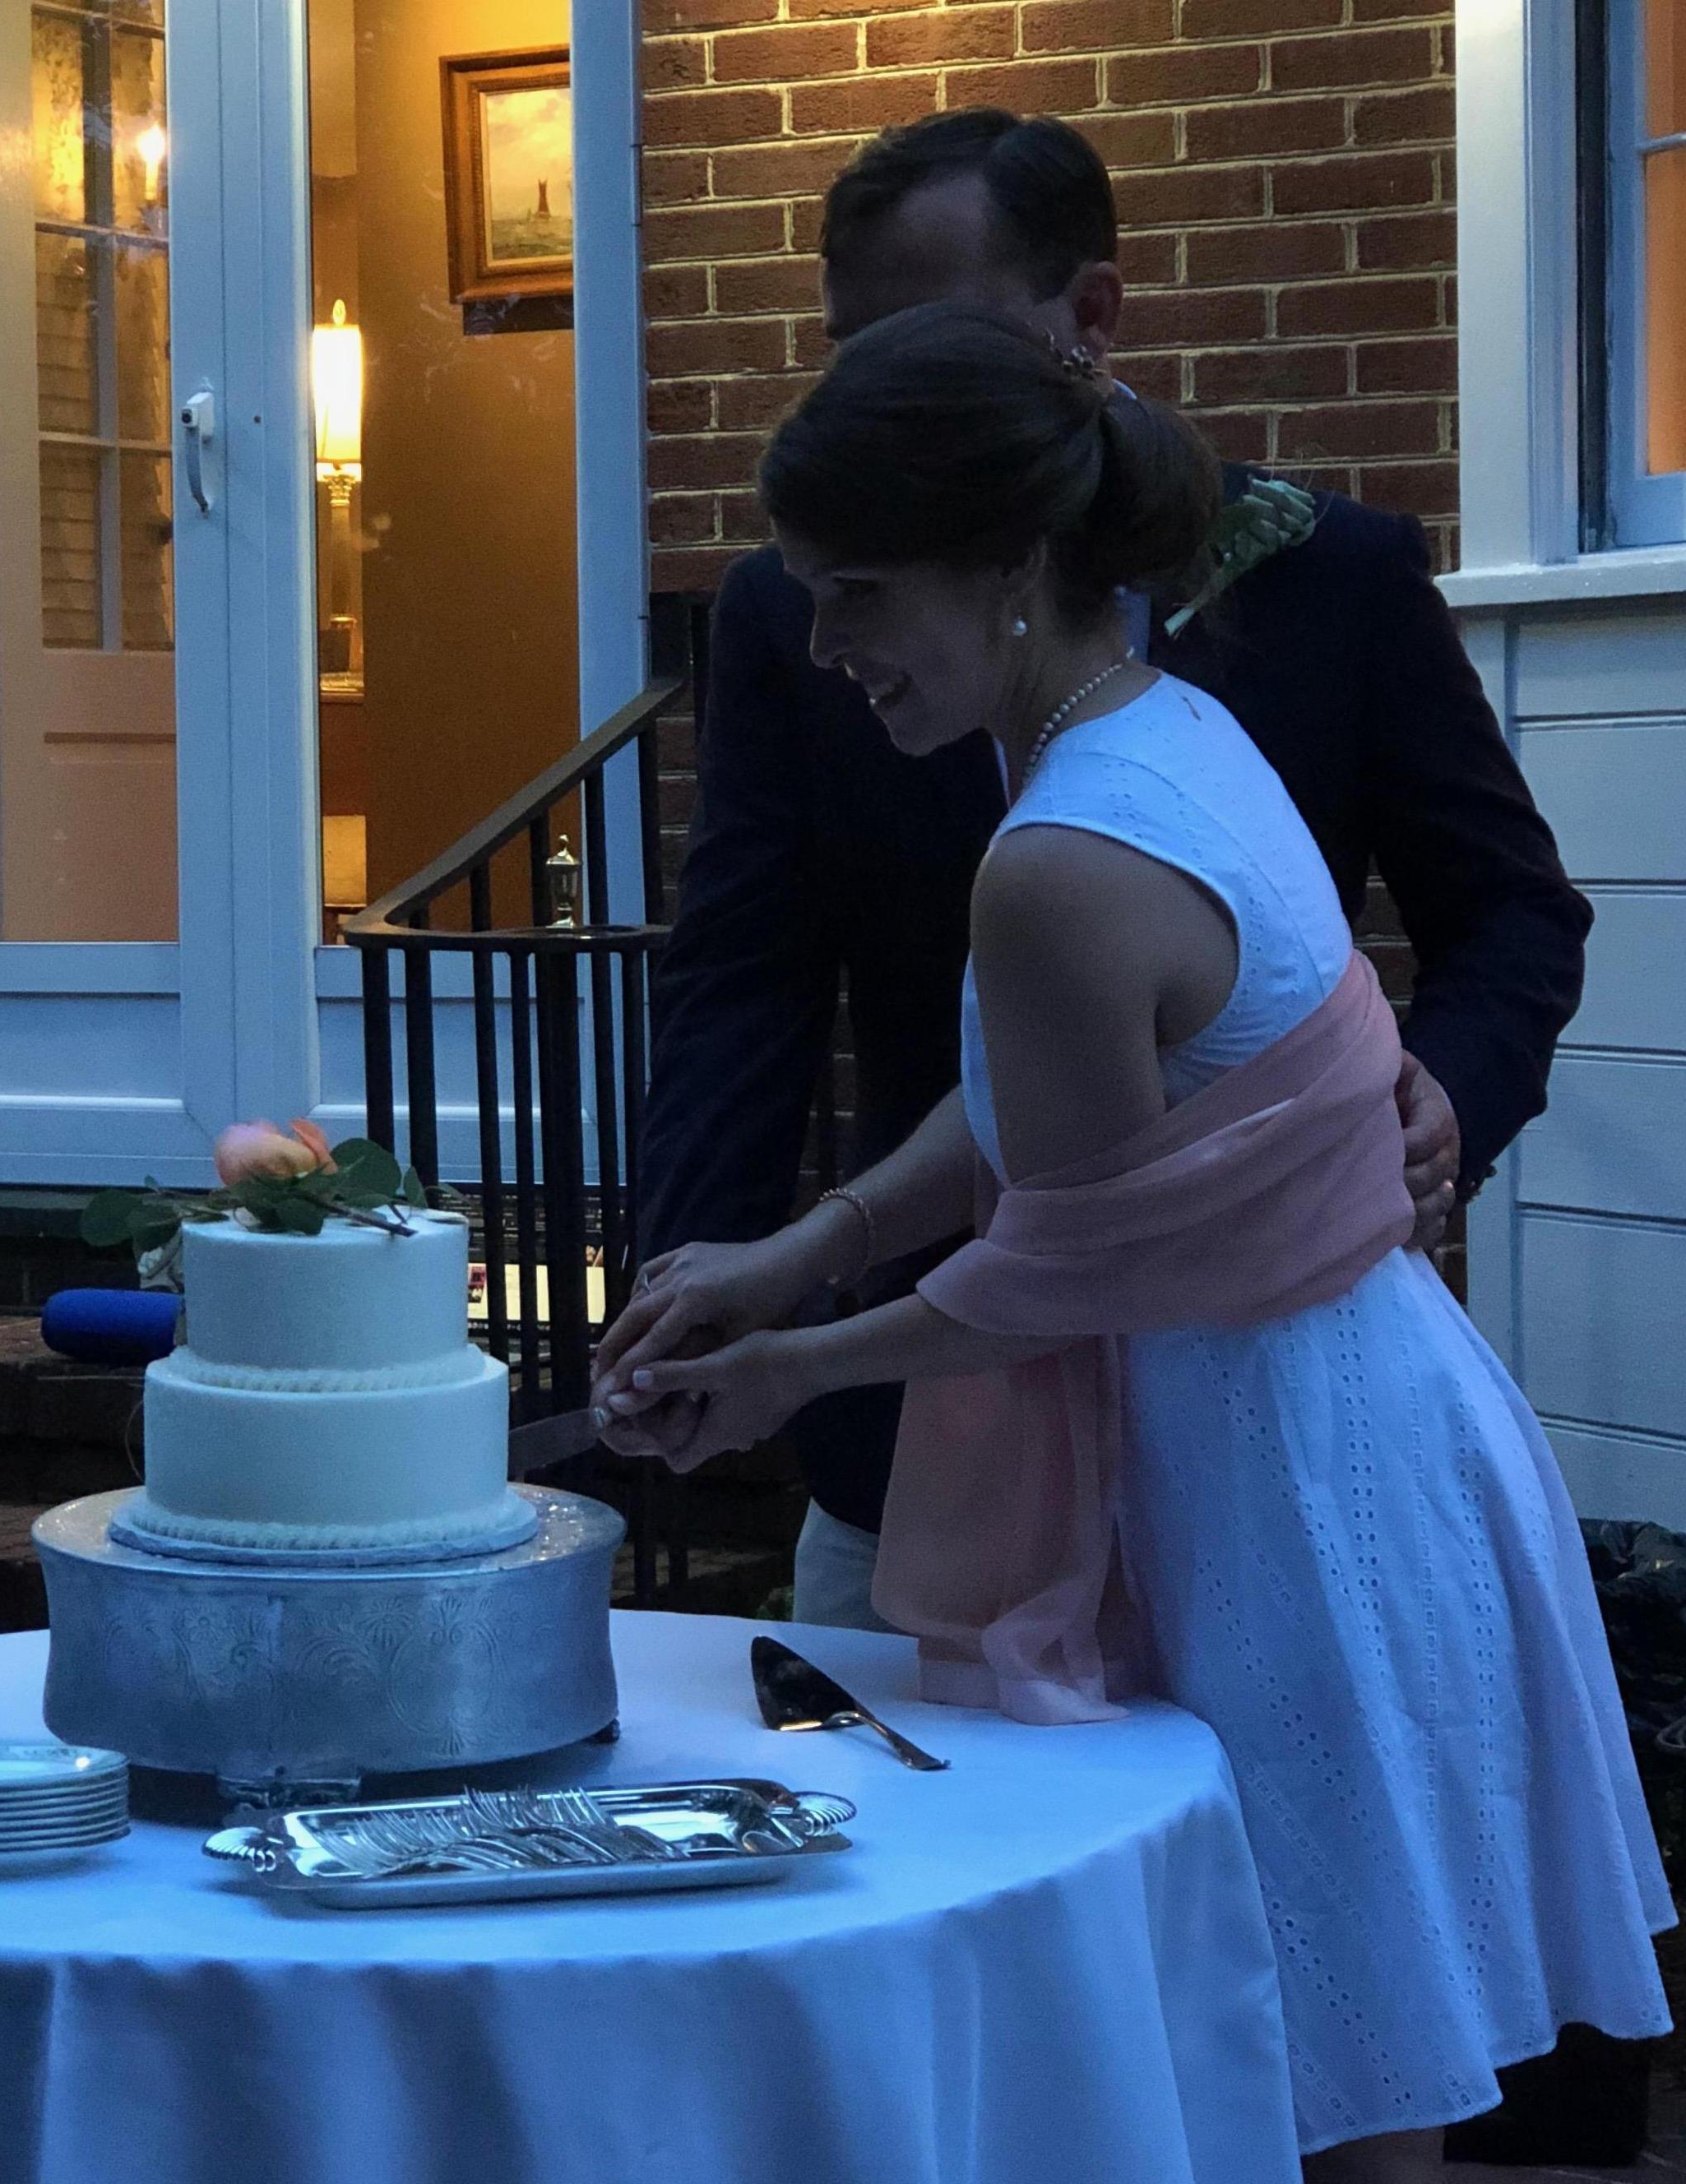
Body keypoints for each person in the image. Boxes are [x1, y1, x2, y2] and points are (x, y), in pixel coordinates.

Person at [594, 303, 1670, 2184]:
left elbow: (1070, 1263)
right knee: (1316, 2045)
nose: (822, 648)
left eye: (855, 595)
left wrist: (786, 1362)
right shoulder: (1151, 728)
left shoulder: (1059, 851)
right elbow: (1045, 1134)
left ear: (1009, 566)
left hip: (1277, 1478)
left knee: (1320, 2067)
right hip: (1346, 1414)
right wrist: (796, 1248)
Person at [623, 112, 1592, 1632]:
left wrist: (1435, 1101)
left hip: (1240, 1431)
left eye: (926, 339)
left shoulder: (1319, 584)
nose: (877, 395)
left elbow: (1514, 916)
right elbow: (743, 982)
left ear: (1091, 318)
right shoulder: (804, 615)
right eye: (844, 350)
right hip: (919, 1435)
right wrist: (698, 1298)